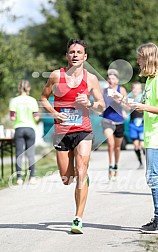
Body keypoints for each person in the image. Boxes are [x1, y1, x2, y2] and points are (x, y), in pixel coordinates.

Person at [40, 38, 105, 234]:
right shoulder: (56, 76)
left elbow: (101, 106)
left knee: (82, 170)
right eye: (72, 52)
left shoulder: (91, 79)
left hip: (83, 130)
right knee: (66, 178)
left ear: (85, 56)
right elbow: (43, 97)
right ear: (67, 55)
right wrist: (54, 113)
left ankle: (78, 218)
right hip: (61, 132)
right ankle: (79, 178)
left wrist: (90, 103)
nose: (75, 55)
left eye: (79, 52)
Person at [129, 42, 158, 233]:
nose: (137, 61)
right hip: (151, 136)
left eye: (140, 57)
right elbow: (144, 104)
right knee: (152, 177)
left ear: (148, 58)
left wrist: (143, 107)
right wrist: (130, 103)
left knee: (153, 177)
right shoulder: (150, 81)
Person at [9, 80, 39, 185]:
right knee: (30, 154)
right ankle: (32, 177)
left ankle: (19, 178)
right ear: (29, 88)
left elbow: (12, 118)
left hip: (19, 128)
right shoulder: (32, 101)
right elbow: (36, 118)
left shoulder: (14, 101)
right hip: (30, 128)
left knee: (19, 154)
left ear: (19, 88)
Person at [102, 69, 127, 181]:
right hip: (107, 120)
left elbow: (127, 105)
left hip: (119, 121)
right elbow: (101, 104)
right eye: (109, 78)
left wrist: (118, 99)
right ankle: (110, 165)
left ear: (117, 80)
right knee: (111, 144)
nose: (110, 80)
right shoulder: (104, 91)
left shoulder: (121, 90)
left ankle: (116, 165)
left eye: (112, 78)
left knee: (117, 147)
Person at [128, 82, 145, 169]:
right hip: (133, 123)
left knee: (143, 145)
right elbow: (126, 108)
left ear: (141, 90)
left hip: (142, 123)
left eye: (138, 88)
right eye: (134, 88)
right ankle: (140, 162)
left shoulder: (143, 97)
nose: (136, 90)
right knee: (136, 145)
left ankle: (147, 159)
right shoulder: (129, 97)